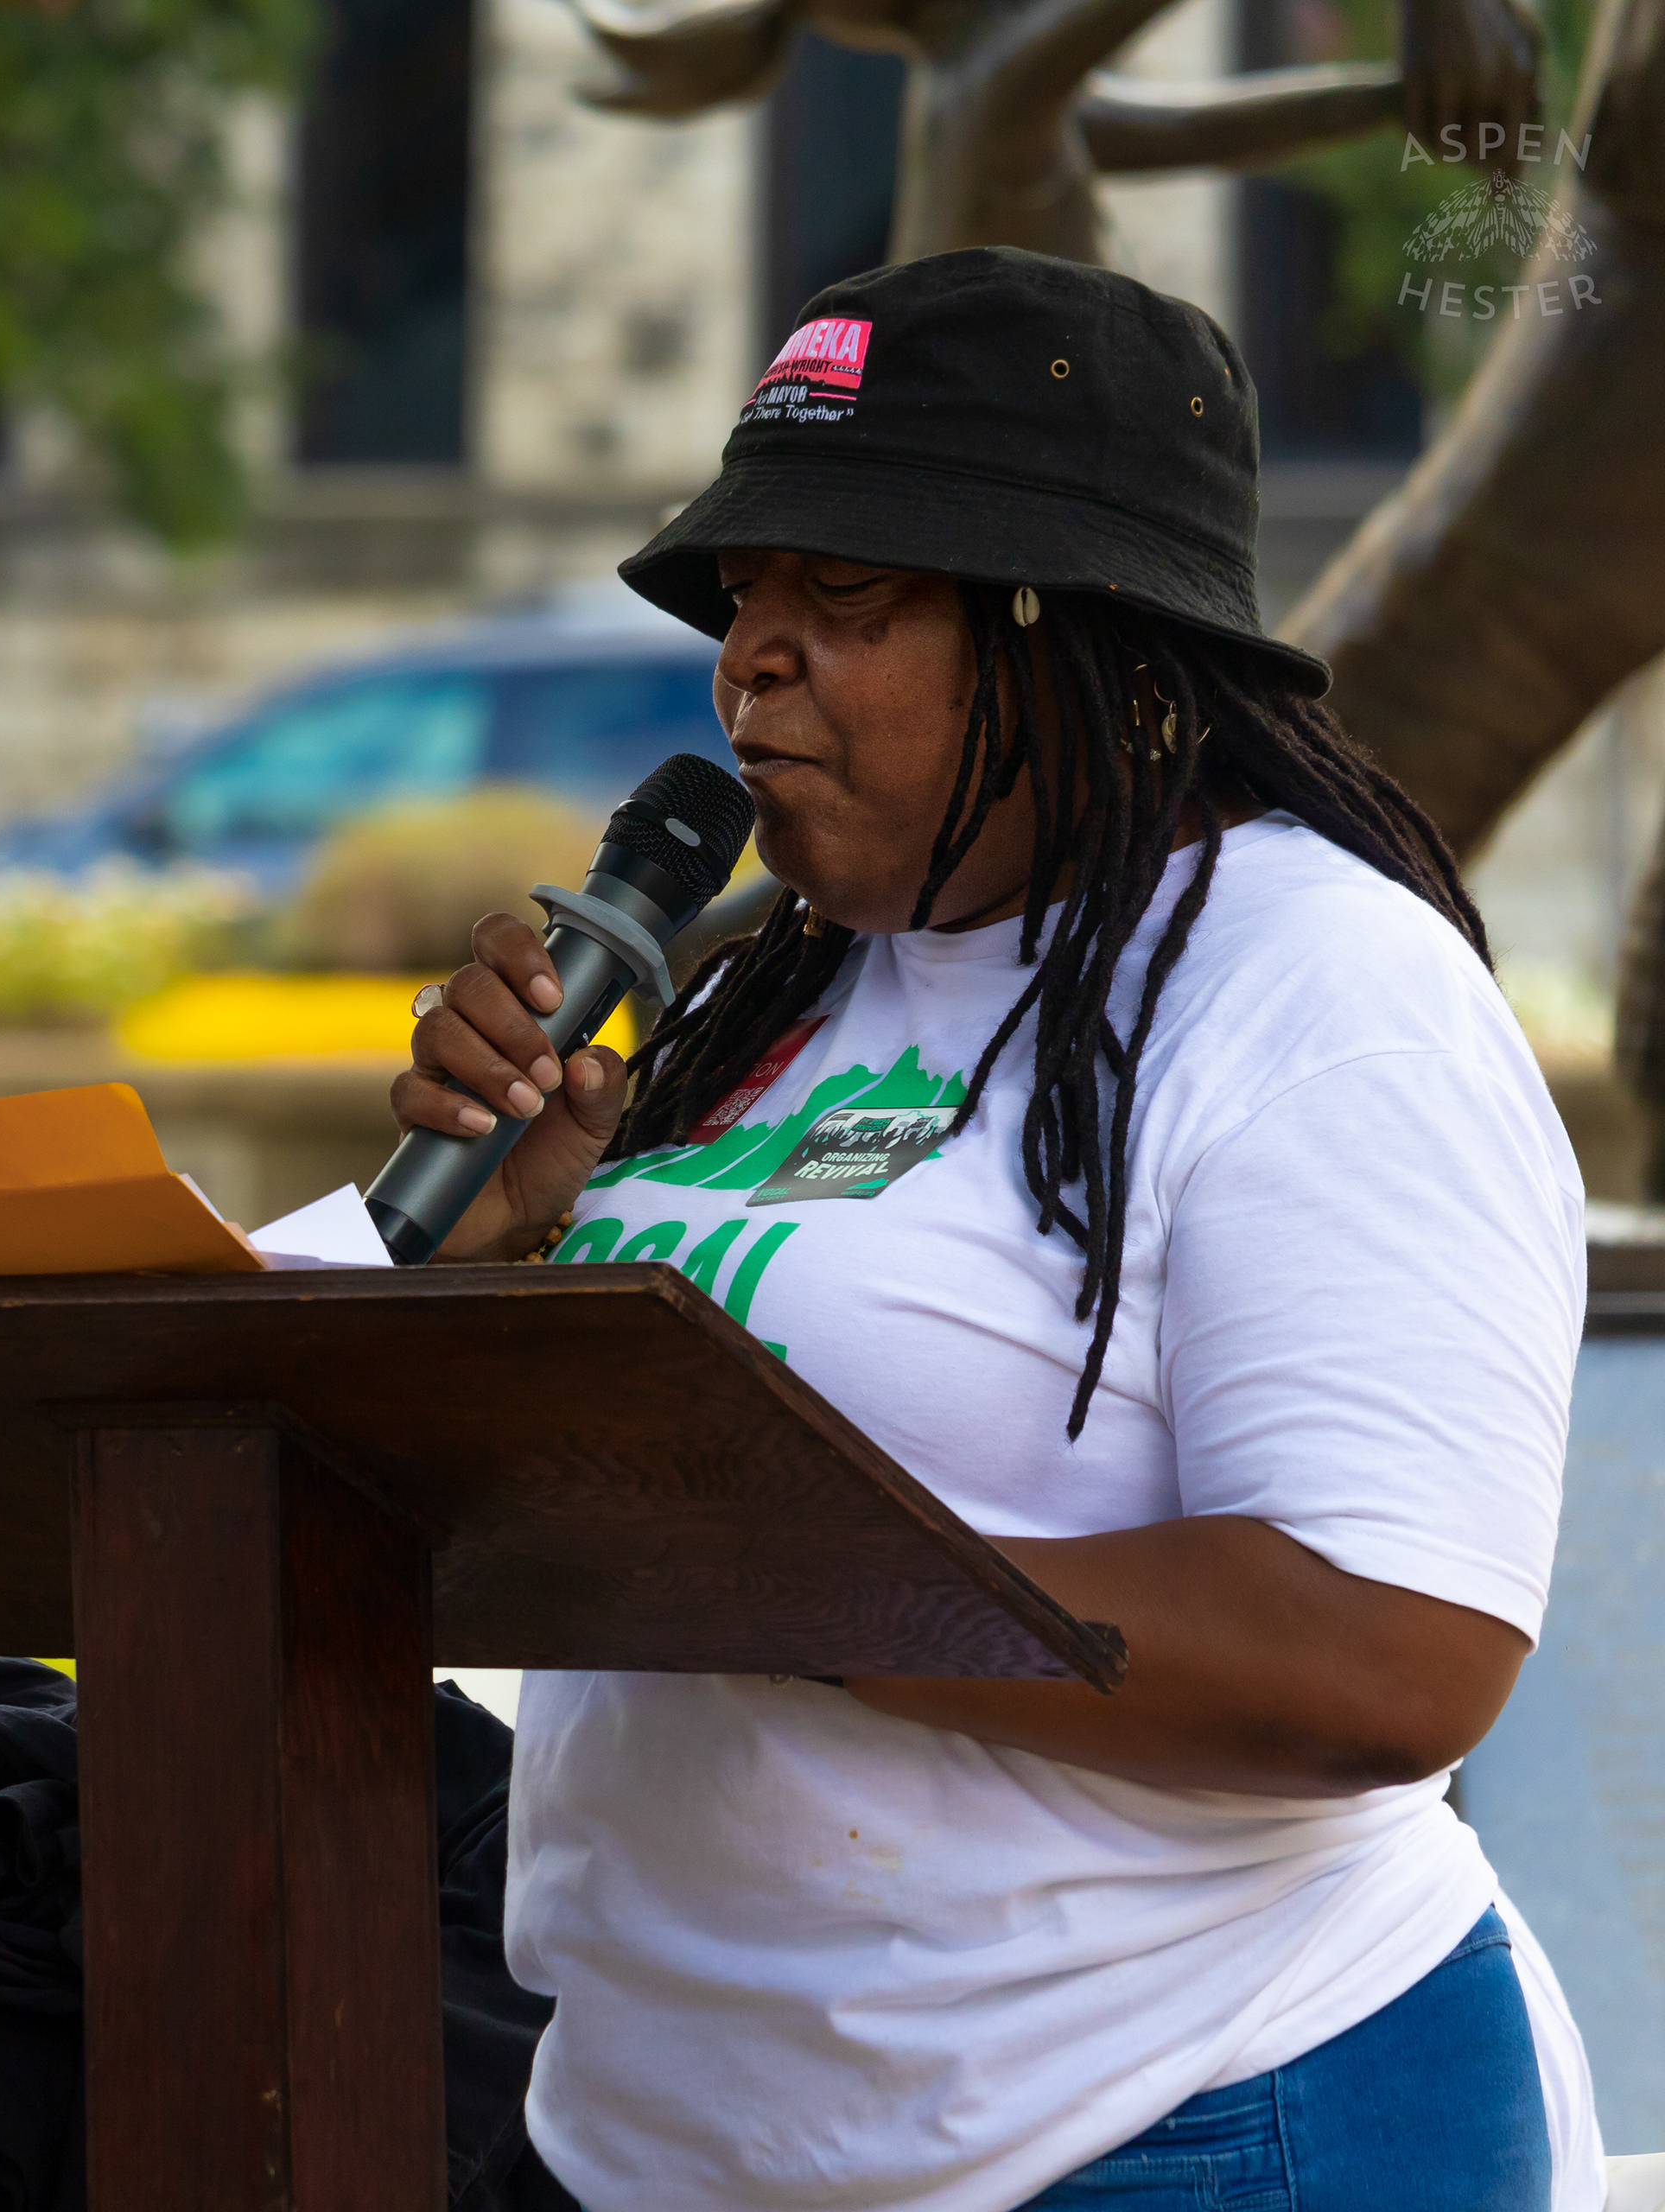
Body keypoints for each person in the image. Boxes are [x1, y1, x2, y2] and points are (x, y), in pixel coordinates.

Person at [396, 248, 1592, 2210]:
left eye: (841, 593)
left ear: (1093, 632)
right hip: (669, 2144)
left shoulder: (1316, 993)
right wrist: (482, 1263)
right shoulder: (781, 991)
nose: (749, 654)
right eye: (743, 595)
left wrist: (771, 1569)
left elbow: (1392, 1655)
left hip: (1176, 2126)